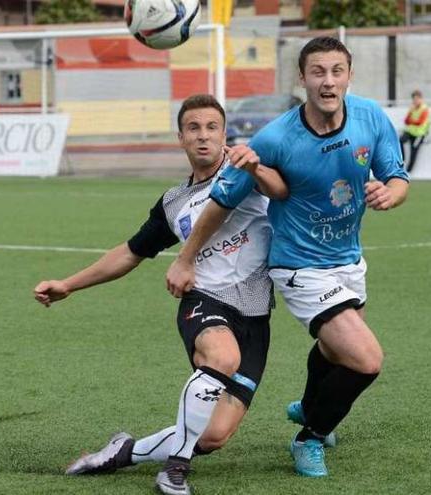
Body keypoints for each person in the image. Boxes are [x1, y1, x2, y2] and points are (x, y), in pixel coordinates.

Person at [166, 37, 410, 478]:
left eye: (337, 71)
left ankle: (310, 407)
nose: (328, 81)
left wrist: (390, 194)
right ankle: (310, 436)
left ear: (349, 75)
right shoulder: (277, 137)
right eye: (318, 72)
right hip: (298, 264)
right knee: (366, 359)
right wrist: (186, 258)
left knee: (335, 353)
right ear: (302, 79)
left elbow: (397, 177)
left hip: (348, 258)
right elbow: (222, 198)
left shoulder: (371, 117)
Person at [33, 94, 287, 495]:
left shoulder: (247, 172)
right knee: (222, 356)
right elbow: (130, 252)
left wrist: (256, 165)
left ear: (225, 134)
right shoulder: (173, 203)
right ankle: (175, 471)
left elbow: (287, 191)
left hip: (255, 313)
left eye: (211, 128)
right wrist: (68, 284)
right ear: (180, 138)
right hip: (205, 301)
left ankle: (123, 452)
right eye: (193, 129)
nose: (203, 137)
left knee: (214, 435)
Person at [399, 89, 430, 173]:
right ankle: (403, 159)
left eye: (417, 99)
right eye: (414, 99)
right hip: (410, 131)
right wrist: (411, 120)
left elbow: (420, 122)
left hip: (419, 134)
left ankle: (408, 171)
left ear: (421, 99)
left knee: (414, 150)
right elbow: (406, 121)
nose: (415, 101)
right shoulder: (412, 108)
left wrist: (411, 121)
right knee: (400, 140)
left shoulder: (424, 109)